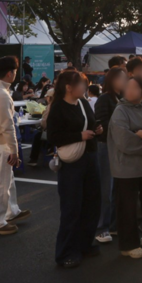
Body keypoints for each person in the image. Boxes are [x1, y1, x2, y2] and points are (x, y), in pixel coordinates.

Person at [46, 71, 102, 268]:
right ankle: (65, 253)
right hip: (72, 163)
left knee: (92, 203)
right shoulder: (58, 107)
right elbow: (53, 137)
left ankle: (84, 245)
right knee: (71, 207)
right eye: (81, 84)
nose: (85, 87)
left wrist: (97, 129)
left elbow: (92, 123)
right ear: (69, 87)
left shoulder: (84, 103)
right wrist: (79, 135)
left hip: (90, 156)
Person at [108, 77, 142, 259]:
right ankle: (128, 245)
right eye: (127, 87)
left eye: (134, 87)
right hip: (127, 168)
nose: (129, 91)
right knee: (127, 207)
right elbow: (125, 141)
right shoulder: (120, 111)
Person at [0, 56, 30, 235]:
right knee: (0, 184)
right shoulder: (2, 94)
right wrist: (15, 151)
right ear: (10, 73)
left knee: (4, 181)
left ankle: (11, 211)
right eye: (15, 72)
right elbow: (7, 126)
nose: (15, 75)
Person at [92, 68, 127, 243]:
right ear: (112, 80)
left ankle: (112, 225)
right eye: (121, 78)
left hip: (118, 147)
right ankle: (101, 228)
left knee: (116, 189)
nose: (125, 81)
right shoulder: (104, 99)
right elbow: (101, 123)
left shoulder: (120, 98)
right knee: (106, 188)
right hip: (106, 146)